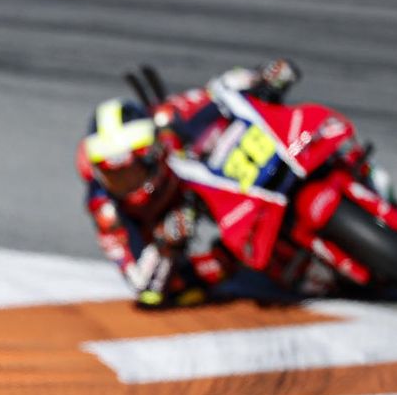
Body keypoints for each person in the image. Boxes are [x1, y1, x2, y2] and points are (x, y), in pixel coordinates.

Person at [77, 58, 321, 307]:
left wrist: (261, 77)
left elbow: (219, 90)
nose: (126, 185)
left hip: (225, 173)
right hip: (178, 223)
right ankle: (273, 260)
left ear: (153, 152)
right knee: (188, 285)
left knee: (291, 129)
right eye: (114, 176)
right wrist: (166, 244)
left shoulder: (169, 120)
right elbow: (142, 285)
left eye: (133, 172)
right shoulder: (105, 207)